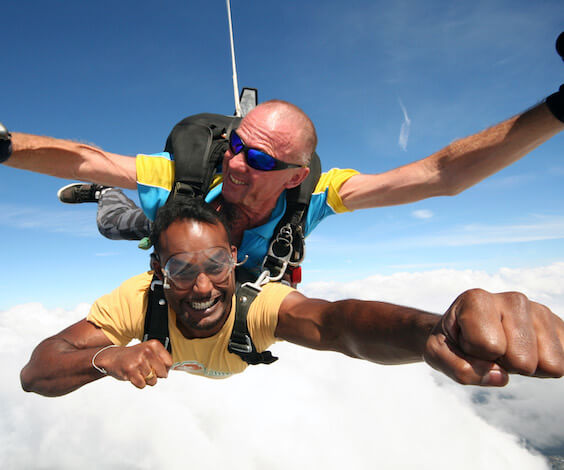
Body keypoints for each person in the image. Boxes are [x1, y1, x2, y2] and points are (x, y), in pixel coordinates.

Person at [20, 198, 564, 397]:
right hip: (149, 246)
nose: (204, 285)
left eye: (216, 264)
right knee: (121, 219)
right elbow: (36, 371)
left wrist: (433, 330)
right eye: (183, 269)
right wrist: (103, 358)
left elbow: (336, 324)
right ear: (158, 271)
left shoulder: (257, 306)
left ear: (234, 261)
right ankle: (114, 196)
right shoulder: (138, 300)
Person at [5, 92, 564, 275]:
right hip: (166, 216)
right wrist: (6, 146)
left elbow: (440, 174)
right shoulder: (185, 173)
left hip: (239, 267)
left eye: (263, 161)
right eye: (237, 146)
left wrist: (556, 111)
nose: (240, 165)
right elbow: (87, 157)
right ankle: (102, 203)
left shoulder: (315, 194)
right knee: (117, 223)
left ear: (297, 175)